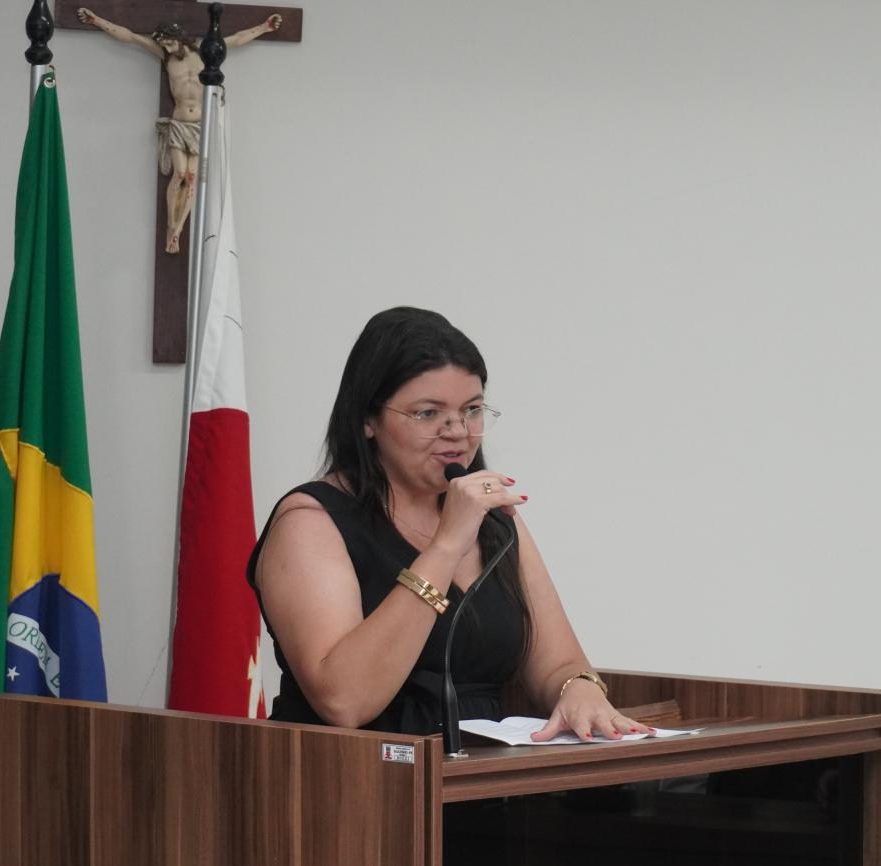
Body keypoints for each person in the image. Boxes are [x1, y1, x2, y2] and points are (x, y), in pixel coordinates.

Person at [247, 307, 653, 741]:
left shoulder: (492, 517)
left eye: (472, 410)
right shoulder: (310, 522)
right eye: (427, 413)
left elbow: (558, 664)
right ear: (368, 419)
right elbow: (345, 701)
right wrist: (445, 547)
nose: (458, 431)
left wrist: (580, 690)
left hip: (479, 773)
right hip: (359, 773)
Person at [75, 9, 282, 253]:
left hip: (200, 126)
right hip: (179, 122)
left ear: (179, 38)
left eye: (169, 42)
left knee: (192, 177)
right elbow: (130, 36)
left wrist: (264, 27)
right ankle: (171, 224)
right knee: (180, 174)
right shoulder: (165, 56)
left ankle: (178, 230)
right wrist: (97, 20)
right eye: (164, 43)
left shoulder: (205, 51)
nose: (167, 47)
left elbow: (236, 39)